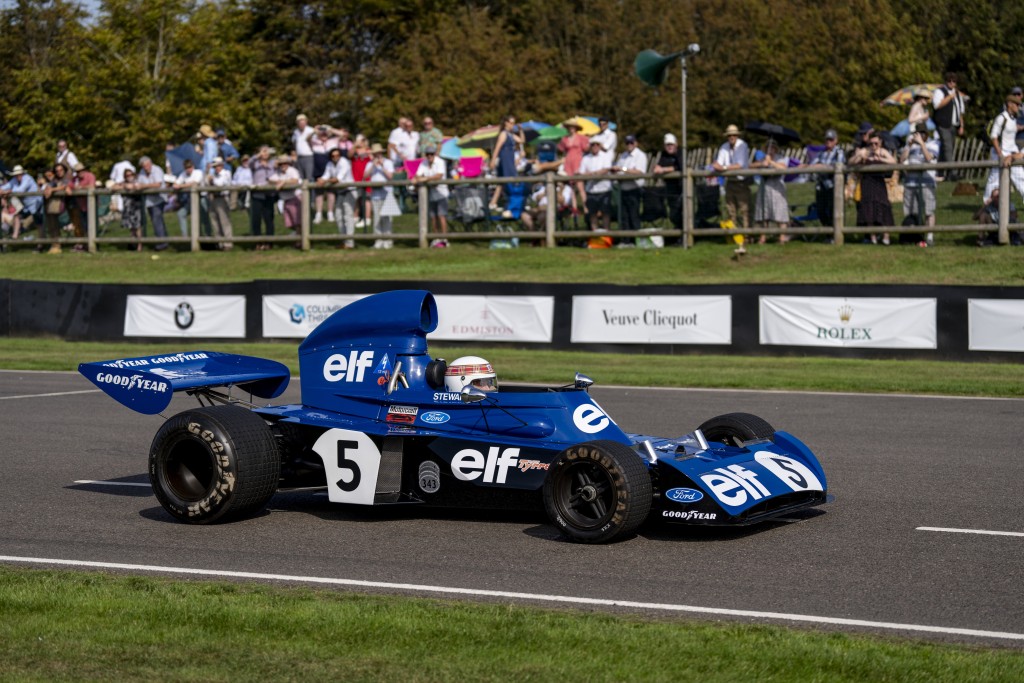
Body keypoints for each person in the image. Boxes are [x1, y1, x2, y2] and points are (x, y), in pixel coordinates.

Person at [849, 132, 896, 244]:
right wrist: (859, 156)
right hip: (867, 183)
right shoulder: (865, 151)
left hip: (879, 183)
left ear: (880, 142)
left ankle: (886, 236)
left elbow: (893, 162)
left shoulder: (883, 151)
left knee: (884, 206)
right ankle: (872, 237)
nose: (874, 146)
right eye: (871, 144)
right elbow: (851, 162)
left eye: (876, 143)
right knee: (868, 209)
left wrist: (881, 158)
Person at [900, 122, 939, 247]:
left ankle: (929, 236)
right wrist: (909, 146)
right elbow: (901, 160)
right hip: (911, 183)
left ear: (927, 134)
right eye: (917, 134)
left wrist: (922, 144)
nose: (919, 136)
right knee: (911, 212)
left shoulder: (933, 144)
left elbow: (929, 158)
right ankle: (914, 236)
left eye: (922, 133)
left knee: (929, 210)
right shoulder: (910, 145)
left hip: (926, 182)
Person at [983, 94, 1024, 203]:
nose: (1018, 107)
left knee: (1020, 177)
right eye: (1016, 104)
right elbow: (994, 136)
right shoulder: (1001, 118)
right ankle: (987, 202)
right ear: (1009, 104)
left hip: (1013, 152)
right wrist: (1000, 154)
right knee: (995, 179)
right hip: (1002, 152)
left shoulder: (1013, 119)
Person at [712, 124, 752, 231]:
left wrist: (723, 167)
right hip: (730, 182)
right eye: (729, 135)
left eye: (733, 135)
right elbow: (717, 163)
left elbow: (739, 165)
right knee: (730, 210)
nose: (731, 137)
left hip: (741, 182)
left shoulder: (742, 145)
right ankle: (733, 235)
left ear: (737, 135)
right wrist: (717, 165)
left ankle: (747, 235)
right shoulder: (724, 147)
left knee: (744, 210)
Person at [750, 139, 790, 243]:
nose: (770, 149)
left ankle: (782, 237)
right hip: (765, 187)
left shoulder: (781, 158)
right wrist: (762, 164)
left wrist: (771, 162)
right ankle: (762, 237)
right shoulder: (763, 158)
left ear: (776, 149)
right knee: (764, 213)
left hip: (777, 187)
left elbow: (783, 168)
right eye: (768, 147)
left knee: (780, 213)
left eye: (772, 147)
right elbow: (751, 165)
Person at [317, 147, 357, 248]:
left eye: (337, 155)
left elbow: (338, 178)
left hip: (350, 190)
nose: (335, 157)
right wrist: (320, 179)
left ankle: (350, 242)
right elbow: (325, 175)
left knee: (348, 216)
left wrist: (324, 181)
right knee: (338, 215)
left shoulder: (344, 162)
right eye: (333, 156)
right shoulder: (330, 164)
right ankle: (344, 240)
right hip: (340, 191)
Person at [932, 72, 967, 181]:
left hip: (953, 125)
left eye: (954, 81)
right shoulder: (940, 91)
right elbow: (937, 105)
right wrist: (949, 97)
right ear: (946, 81)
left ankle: (940, 172)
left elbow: (960, 111)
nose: (952, 83)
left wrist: (961, 125)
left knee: (945, 149)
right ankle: (952, 172)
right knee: (948, 147)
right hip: (943, 124)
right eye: (949, 81)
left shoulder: (957, 94)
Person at [611, 134, 647, 238]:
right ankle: (626, 240)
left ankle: (636, 239)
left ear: (636, 143)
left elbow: (639, 172)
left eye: (631, 142)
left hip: (634, 189)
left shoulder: (640, 155)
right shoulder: (623, 155)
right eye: (627, 143)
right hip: (623, 189)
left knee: (634, 215)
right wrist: (616, 171)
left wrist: (623, 169)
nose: (629, 145)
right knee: (624, 216)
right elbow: (619, 169)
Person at [366, 143, 401, 248]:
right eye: (375, 154)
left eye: (379, 153)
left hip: (387, 193)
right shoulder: (369, 164)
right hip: (375, 194)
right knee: (377, 218)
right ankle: (378, 239)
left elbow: (390, 176)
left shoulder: (388, 163)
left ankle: (388, 240)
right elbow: (365, 176)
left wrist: (382, 166)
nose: (377, 155)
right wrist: (373, 165)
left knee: (387, 218)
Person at [412, 145, 449, 246]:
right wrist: (419, 178)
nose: (429, 156)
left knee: (441, 216)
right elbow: (418, 175)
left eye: (431, 154)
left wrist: (425, 178)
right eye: (427, 154)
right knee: (433, 217)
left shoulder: (440, 162)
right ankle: (436, 237)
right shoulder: (423, 163)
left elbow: (439, 175)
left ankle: (444, 238)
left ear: (435, 154)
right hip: (430, 194)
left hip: (442, 193)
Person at [488, 114, 525, 211]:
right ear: (506, 123)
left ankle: (493, 202)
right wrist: (492, 160)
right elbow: (497, 147)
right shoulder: (503, 134)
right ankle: (511, 201)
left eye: (514, 123)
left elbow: (522, 141)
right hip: (505, 159)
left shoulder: (511, 135)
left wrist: (521, 130)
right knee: (510, 179)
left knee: (502, 182)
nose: (512, 125)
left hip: (510, 158)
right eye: (511, 123)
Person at [578, 139, 613, 231]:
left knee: (606, 213)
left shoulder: (605, 156)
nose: (595, 147)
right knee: (592, 213)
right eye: (593, 145)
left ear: (600, 146)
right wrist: (595, 174)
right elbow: (581, 173)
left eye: (597, 144)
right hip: (591, 190)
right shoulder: (586, 158)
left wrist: (591, 174)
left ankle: (607, 234)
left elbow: (606, 170)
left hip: (605, 189)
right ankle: (595, 234)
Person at [814, 129, 846, 229]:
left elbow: (837, 166)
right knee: (821, 210)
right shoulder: (820, 153)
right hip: (821, 186)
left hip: (833, 186)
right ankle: (828, 232)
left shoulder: (839, 152)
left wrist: (821, 166)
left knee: (833, 210)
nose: (828, 141)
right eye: (827, 139)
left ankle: (834, 234)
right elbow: (813, 165)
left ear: (836, 140)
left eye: (831, 139)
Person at [135, 156, 169, 250]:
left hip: (159, 199)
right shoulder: (142, 173)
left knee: (157, 219)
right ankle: (164, 240)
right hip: (149, 201)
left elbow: (158, 184)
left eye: (147, 165)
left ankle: (162, 243)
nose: (146, 167)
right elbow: (139, 183)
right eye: (144, 166)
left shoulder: (157, 170)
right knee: (156, 221)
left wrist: (143, 186)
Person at [0, 165, 42, 240]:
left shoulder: (28, 178)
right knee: (17, 215)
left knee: (38, 224)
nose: (18, 176)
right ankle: (15, 236)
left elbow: (20, 190)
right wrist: (2, 190)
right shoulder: (15, 179)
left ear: (22, 173)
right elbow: (7, 186)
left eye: (19, 174)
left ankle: (41, 243)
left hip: (36, 205)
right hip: (26, 206)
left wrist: (9, 191)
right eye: (16, 174)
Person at [652, 133, 683, 230]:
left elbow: (680, 167)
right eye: (667, 145)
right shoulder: (664, 155)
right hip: (670, 189)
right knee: (673, 214)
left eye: (671, 144)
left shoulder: (680, 153)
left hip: (681, 188)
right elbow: (658, 166)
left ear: (676, 145)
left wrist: (664, 170)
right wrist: (657, 169)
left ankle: (682, 237)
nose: (669, 147)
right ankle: (677, 234)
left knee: (680, 212)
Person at [248, 146, 277, 248]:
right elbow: (249, 162)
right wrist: (258, 155)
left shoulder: (273, 163)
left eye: (266, 151)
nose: (265, 153)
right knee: (256, 219)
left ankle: (269, 242)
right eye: (263, 151)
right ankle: (257, 242)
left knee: (269, 219)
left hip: (269, 195)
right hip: (257, 195)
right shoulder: (255, 164)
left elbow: (286, 161)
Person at [271, 155, 302, 244]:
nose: (283, 165)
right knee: (289, 222)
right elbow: (270, 179)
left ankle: (299, 241)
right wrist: (279, 182)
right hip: (286, 199)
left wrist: (283, 182)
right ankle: (297, 236)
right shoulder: (278, 172)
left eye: (285, 163)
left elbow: (295, 180)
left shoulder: (292, 171)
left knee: (297, 221)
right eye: (281, 163)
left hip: (295, 197)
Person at [66, 161, 97, 250]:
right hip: (80, 206)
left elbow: (92, 186)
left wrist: (81, 188)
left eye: (81, 170)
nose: (80, 172)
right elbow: (69, 185)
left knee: (91, 226)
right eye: (78, 171)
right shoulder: (75, 179)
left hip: (90, 206)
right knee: (82, 226)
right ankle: (85, 245)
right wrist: (68, 188)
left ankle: (93, 245)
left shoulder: (90, 176)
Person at [41, 162, 70, 254]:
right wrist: (47, 189)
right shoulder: (54, 180)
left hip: (65, 206)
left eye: (61, 170)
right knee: (52, 226)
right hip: (52, 205)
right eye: (57, 171)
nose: (59, 172)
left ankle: (57, 245)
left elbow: (64, 186)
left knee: (56, 225)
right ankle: (54, 245)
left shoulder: (67, 178)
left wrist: (52, 190)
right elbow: (49, 186)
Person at [171, 158, 204, 237]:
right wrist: (176, 184)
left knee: (203, 219)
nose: (188, 170)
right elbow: (176, 183)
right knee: (181, 214)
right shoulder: (183, 174)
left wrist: (181, 186)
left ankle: (207, 238)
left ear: (193, 166)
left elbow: (194, 183)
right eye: (186, 168)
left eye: (190, 167)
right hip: (191, 200)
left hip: (201, 198)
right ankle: (185, 236)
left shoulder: (198, 172)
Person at [206, 157, 234, 250]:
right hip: (213, 198)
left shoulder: (226, 173)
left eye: (218, 165)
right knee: (215, 221)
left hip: (222, 198)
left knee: (224, 221)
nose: (217, 168)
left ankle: (228, 243)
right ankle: (219, 243)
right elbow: (205, 184)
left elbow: (221, 184)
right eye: (215, 166)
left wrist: (211, 180)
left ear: (222, 165)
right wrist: (207, 174)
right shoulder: (213, 174)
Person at [114, 167, 145, 251]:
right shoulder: (123, 183)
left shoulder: (138, 181)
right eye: (127, 175)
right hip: (128, 208)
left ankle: (139, 246)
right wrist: (124, 186)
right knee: (131, 228)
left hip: (136, 207)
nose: (129, 176)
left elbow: (136, 187)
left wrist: (129, 186)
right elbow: (113, 187)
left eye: (131, 174)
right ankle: (132, 245)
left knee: (138, 227)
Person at [292, 114, 316, 181]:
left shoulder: (311, 130)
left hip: (309, 156)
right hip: (299, 157)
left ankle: (311, 191)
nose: (302, 124)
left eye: (303, 122)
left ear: (306, 122)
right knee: (301, 177)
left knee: (309, 177)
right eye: (300, 122)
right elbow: (294, 143)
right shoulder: (295, 132)